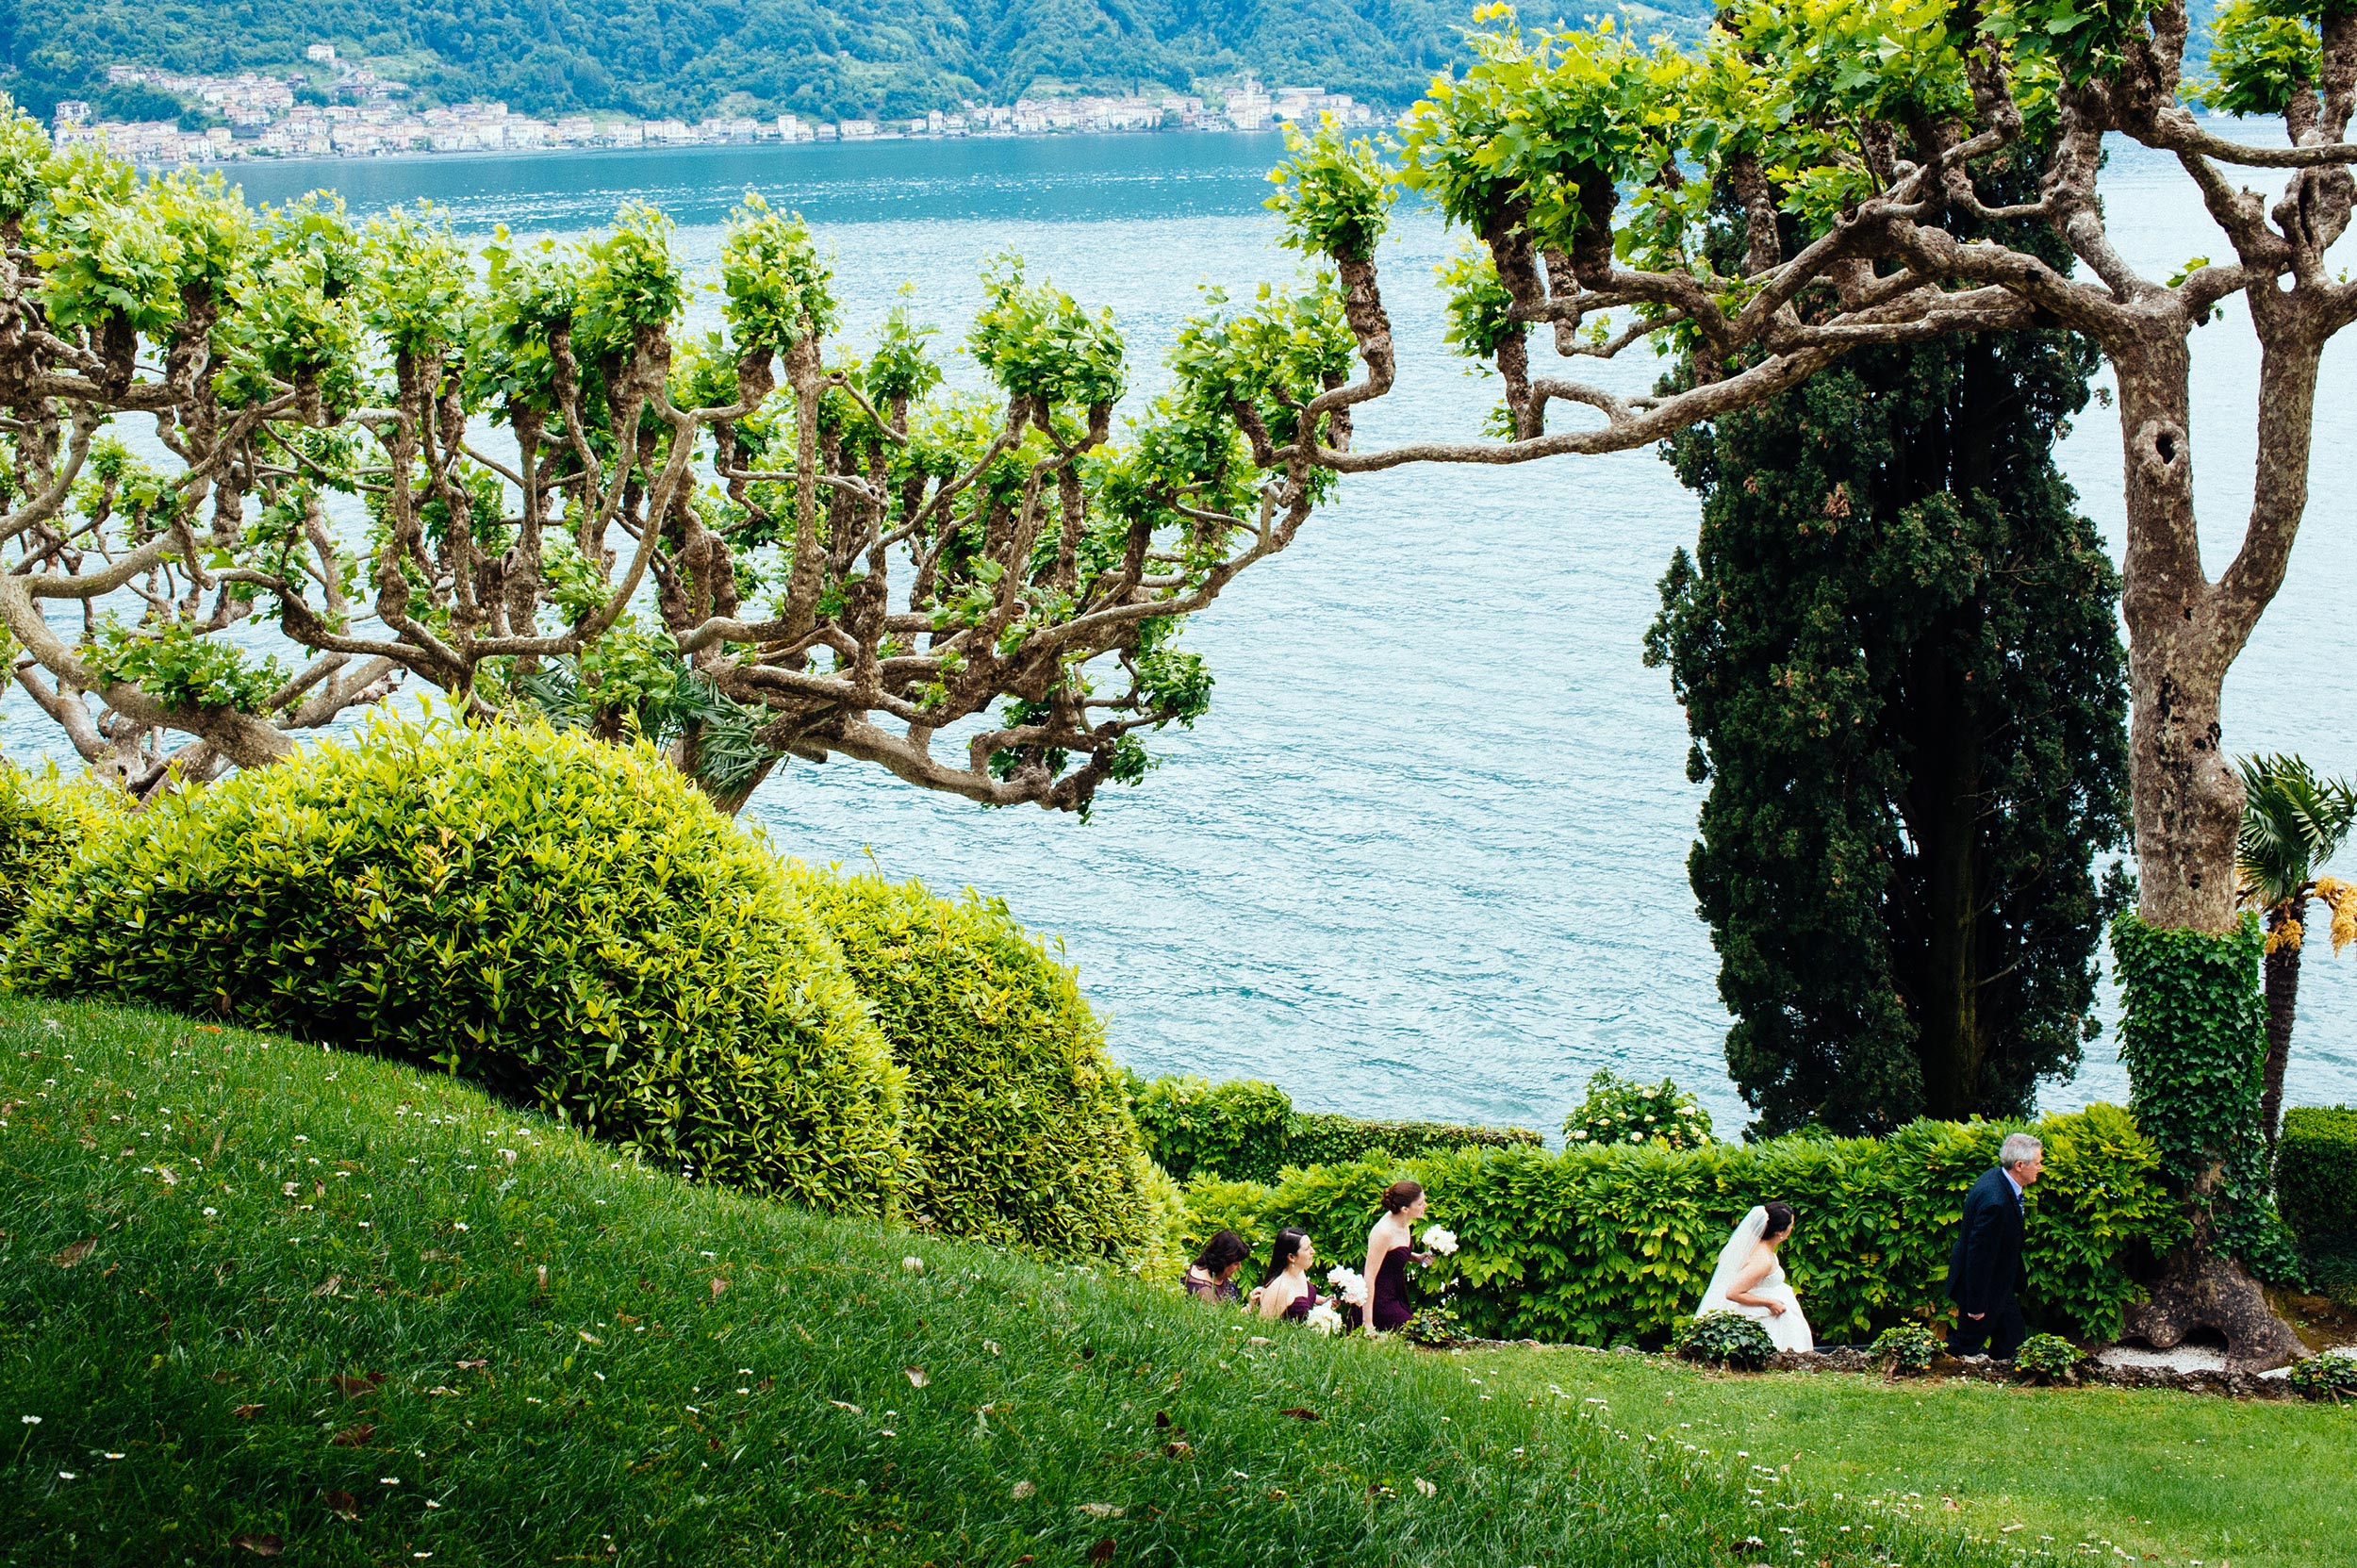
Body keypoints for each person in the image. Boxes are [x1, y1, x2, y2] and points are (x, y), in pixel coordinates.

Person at [1948, 1131, 2043, 1359]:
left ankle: (2003, 1374)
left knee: (2012, 1336)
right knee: (1964, 1347)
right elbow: (1979, 1257)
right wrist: (1976, 1305)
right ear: (2020, 1165)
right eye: (2037, 1163)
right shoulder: (1996, 1203)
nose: (2040, 1168)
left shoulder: (1996, 1177)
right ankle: (1931, 1373)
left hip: (1999, 1287)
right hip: (1983, 1292)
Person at [1697, 1200, 1813, 1352]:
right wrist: (1770, 1303)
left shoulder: (1760, 1248)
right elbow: (1733, 1293)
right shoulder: (1762, 1260)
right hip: (1764, 1315)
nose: (1792, 1228)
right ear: (1779, 1232)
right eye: (1791, 1225)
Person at [1357, 1180, 1430, 1334]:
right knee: (1414, 1333)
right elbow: (1369, 1277)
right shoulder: (1384, 1232)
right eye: (1420, 1203)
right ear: (1404, 1209)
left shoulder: (1404, 1220)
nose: (1425, 1206)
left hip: (1396, 1290)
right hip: (1379, 1298)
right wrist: (1368, 1323)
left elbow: (1392, 1254)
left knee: (1418, 1330)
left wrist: (1417, 1257)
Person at [1251, 1228, 1325, 1322]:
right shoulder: (1278, 1288)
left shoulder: (1299, 1271)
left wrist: (1323, 1301)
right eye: (1307, 1249)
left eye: (1311, 1246)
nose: (1313, 1251)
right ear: (1291, 1257)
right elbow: (1262, 1327)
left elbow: (1301, 1295)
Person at [1182, 1230, 1250, 1305]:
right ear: (1223, 1262)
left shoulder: (1218, 1275)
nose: (1239, 1267)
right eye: (1236, 1263)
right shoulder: (1204, 1292)